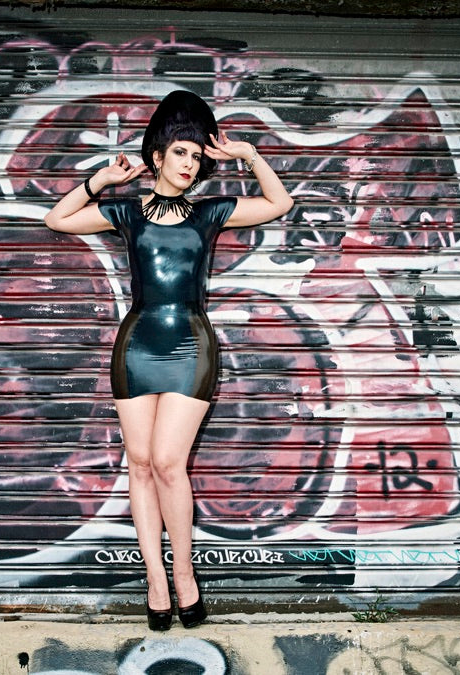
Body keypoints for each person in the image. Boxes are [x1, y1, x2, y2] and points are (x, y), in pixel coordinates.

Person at [43, 90, 293, 630]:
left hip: (189, 345)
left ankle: (184, 574)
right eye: (182, 152)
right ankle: (154, 579)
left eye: (198, 156)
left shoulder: (210, 214)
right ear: (157, 157)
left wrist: (247, 156)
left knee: (167, 463)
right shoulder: (127, 212)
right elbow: (57, 220)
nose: (191, 163)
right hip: (136, 344)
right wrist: (101, 182)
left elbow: (279, 204)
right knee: (139, 465)